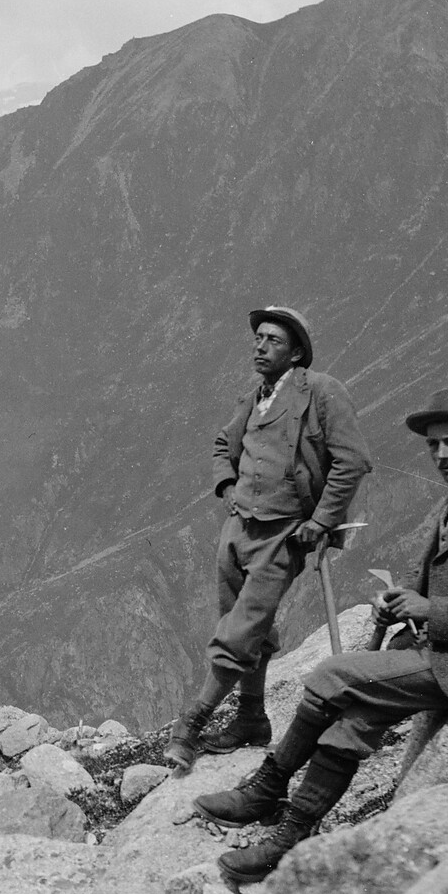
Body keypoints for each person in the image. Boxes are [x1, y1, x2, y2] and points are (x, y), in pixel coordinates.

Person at [193, 388, 448, 883]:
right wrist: (404, 598)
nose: (441, 456)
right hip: (441, 652)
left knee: (331, 674)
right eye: (433, 446)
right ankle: (290, 837)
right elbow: (436, 585)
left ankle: (266, 789)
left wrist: (430, 609)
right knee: (353, 722)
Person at [162, 307, 372, 774]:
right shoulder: (253, 399)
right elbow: (223, 445)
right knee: (244, 624)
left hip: (284, 533)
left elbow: (353, 460)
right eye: (258, 337)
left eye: (273, 340)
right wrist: (228, 488)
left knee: (241, 630)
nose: (260, 346)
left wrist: (321, 520)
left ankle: (190, 725)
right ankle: (252, 720)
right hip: (238, 529)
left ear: (296, 352)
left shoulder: (320, 392)